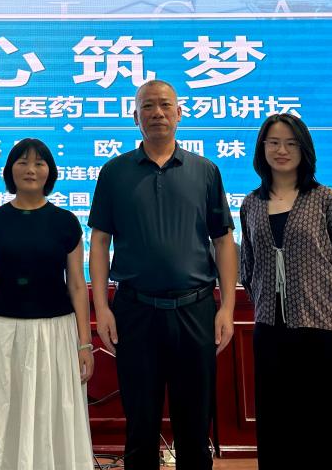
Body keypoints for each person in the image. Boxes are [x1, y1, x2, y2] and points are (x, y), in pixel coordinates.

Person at [89, 79, 238, 470]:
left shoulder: (205, 171)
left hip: (196, 310)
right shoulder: (114, 172)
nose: (157, 113)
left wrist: (227, 308)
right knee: (140, 426)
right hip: (135, 311)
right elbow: (100, 242)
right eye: (148, 106)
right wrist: (102, 308)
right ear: (135, 116)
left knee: (195, 426)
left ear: (179, 113)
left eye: (165, 105)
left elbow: (224, 241)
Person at [238, 114, 332, 469]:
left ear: (304, 149)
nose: (282, 150)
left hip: (323, 331)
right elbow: (248, 267)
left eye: (291, 143)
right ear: (262, 149)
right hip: (270, 332)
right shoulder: (251, 204)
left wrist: (319, 301)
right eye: (274, 143)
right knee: (279, 425)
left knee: (331, 426)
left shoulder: (325, 198)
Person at [0, 138, 94, 470]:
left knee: (52, 413)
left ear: (50, 172)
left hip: (55, 333)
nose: (31, 169)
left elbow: (77, 286)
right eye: (22, 162)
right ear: (10, 170)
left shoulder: (66, 222)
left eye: (39, 163)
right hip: (2, 333)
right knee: (2, 414)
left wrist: (84, 343)